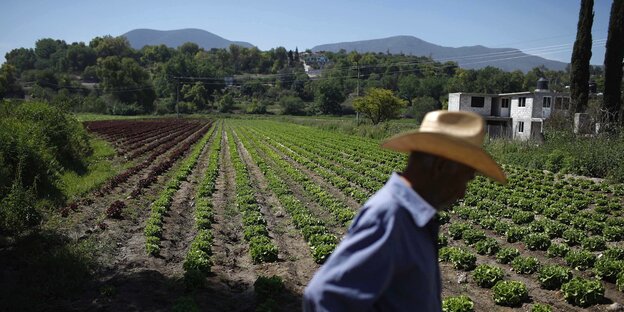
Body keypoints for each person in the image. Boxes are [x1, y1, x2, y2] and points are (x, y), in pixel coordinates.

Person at [303, 110, 507, 311]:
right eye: (464, 179)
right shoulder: (391, 216)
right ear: (440, 166)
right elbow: (324, 298)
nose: (462, 193)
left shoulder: (411, 217)